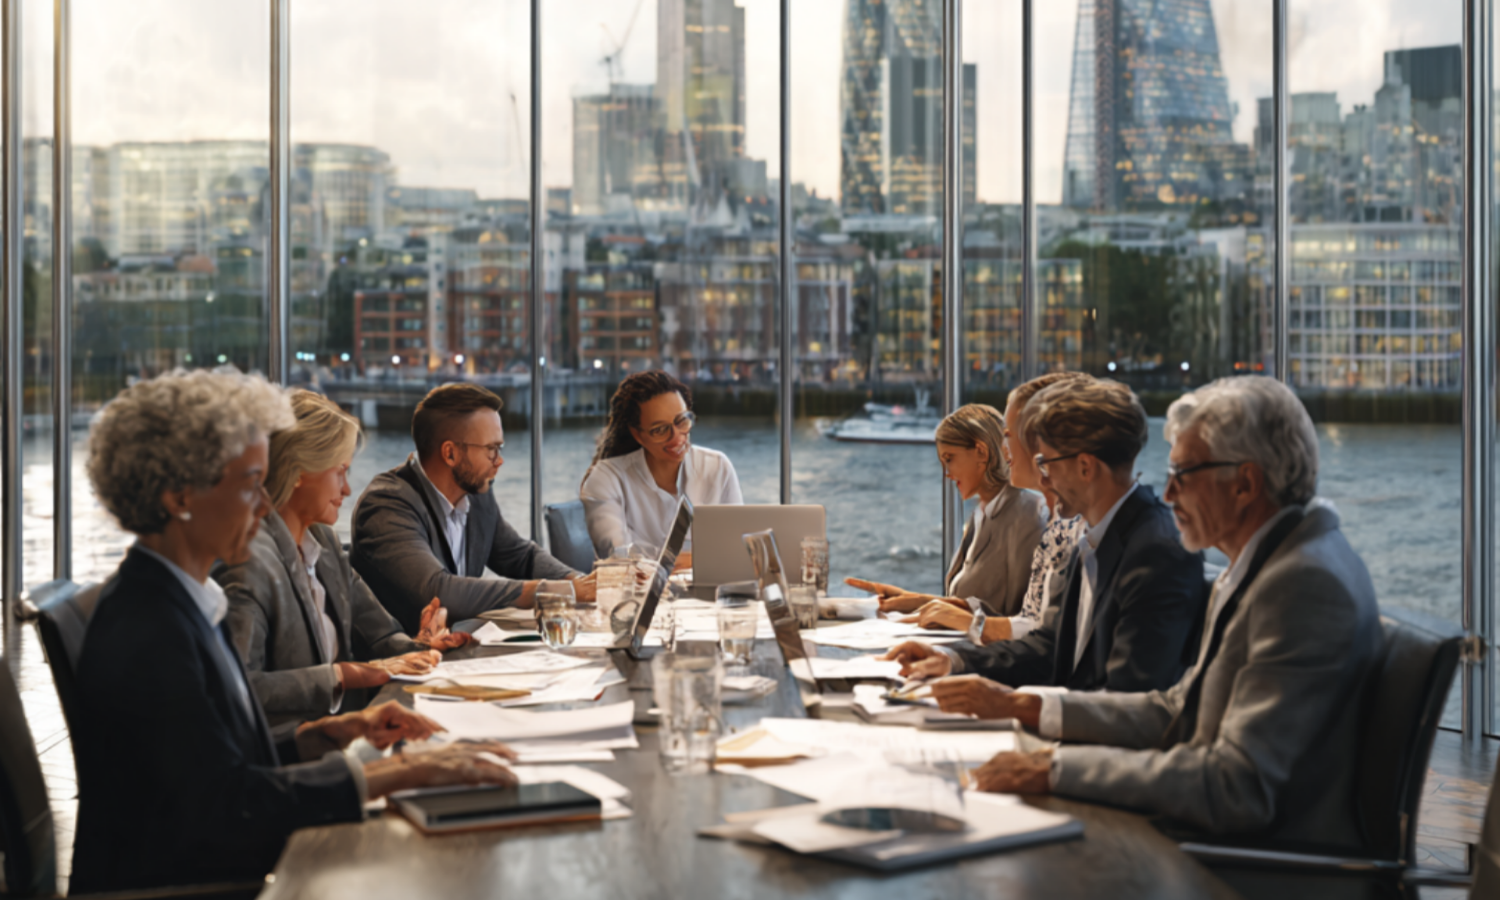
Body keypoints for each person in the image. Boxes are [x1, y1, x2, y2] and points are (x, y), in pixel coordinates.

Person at [71, 369, 517, 893]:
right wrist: (393, 775)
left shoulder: (179, 601)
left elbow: (223, 763)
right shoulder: (150, 631)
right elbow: (227, 806)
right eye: (247, 485)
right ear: (178, 497)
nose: (265, 504)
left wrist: (332, 732)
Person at [951, 376, 1383, 849]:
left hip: (1253, 867)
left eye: (1184, 474)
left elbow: (1236, 786)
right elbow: (1179, 708)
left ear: (1244, 484)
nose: (1170, 493)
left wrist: (1056, 769)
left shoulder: (1302, 585)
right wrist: (1023, 704)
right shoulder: (1274, 563)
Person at [886, 377, 1204, 694]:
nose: (1043, 477)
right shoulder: (1091, 534)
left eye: (1046, 462)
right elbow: (1049, 649)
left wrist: (1015, 706)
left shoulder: (1155, 551)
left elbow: (1130, 701)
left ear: (1085, 467)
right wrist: (953, 660)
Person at [218, 390, 474, 727]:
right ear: (298, 470)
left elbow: (381, 637)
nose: (347, 490)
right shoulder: (248, 562)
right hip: (289, 756)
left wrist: (421, 646)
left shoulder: (323, 543)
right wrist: (346, 674)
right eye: (340, 471)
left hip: (349, 734)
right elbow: (237, 689)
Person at [351, 382, 594, 632]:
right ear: (450, 454)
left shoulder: (476, 493)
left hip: (456, 651)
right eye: (491, 450)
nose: (499, 461)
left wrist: (580, 582)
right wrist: (549, 591)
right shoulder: (386, 505)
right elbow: (438, 590)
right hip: (398, 663)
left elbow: (519, 555)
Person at [899, 372, 1091, 641]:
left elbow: (1031, 628)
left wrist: (967, 634)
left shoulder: (1045, 520)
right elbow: (1032, 623)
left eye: (1009, 436)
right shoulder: (1060, 527)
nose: (1004, 449)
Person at [845, 403, 1047, 622]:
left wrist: (924, 604)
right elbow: (968, 607)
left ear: (981, 452)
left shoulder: (1027, 516)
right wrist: (913, 600)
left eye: (949, 459)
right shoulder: (983, 515)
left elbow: (1021, 620)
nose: (947, 474)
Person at [580, 370, 742, 568]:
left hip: (709, 596)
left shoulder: (717, 467)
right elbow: (619, 560)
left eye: (682, 421)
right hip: (635, 598)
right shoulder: (606, 478)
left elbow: (736, 550)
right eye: (659, 430)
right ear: (637, 434)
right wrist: (705, 558)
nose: (677, 438)